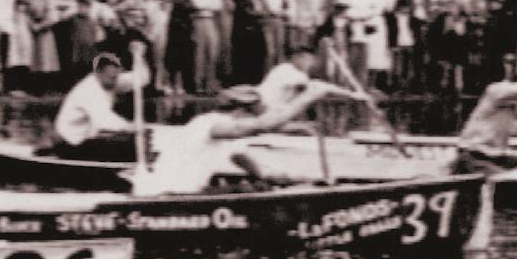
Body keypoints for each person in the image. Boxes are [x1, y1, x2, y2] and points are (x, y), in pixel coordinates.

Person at [132, 79, 369, 195]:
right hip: (168, 195)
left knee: (253, 186)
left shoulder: (231, 139)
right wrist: (308, 97)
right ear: (243, 110)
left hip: (183, 194)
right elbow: (263, 126)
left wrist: (310, 181)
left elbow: (263, 173)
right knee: (243, 191)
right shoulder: (212, 124)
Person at [50, 43, 151, 160]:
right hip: (68, 143)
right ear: (98, 72)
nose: (115, 81)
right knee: (128, 143)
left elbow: (142, 78)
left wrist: (139, 56)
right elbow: (104, 121)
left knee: (135, 140)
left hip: (85, 137)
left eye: (117, 76)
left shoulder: (111, 81)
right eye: (111, 77)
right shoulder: (89, 90)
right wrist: (130, 126)